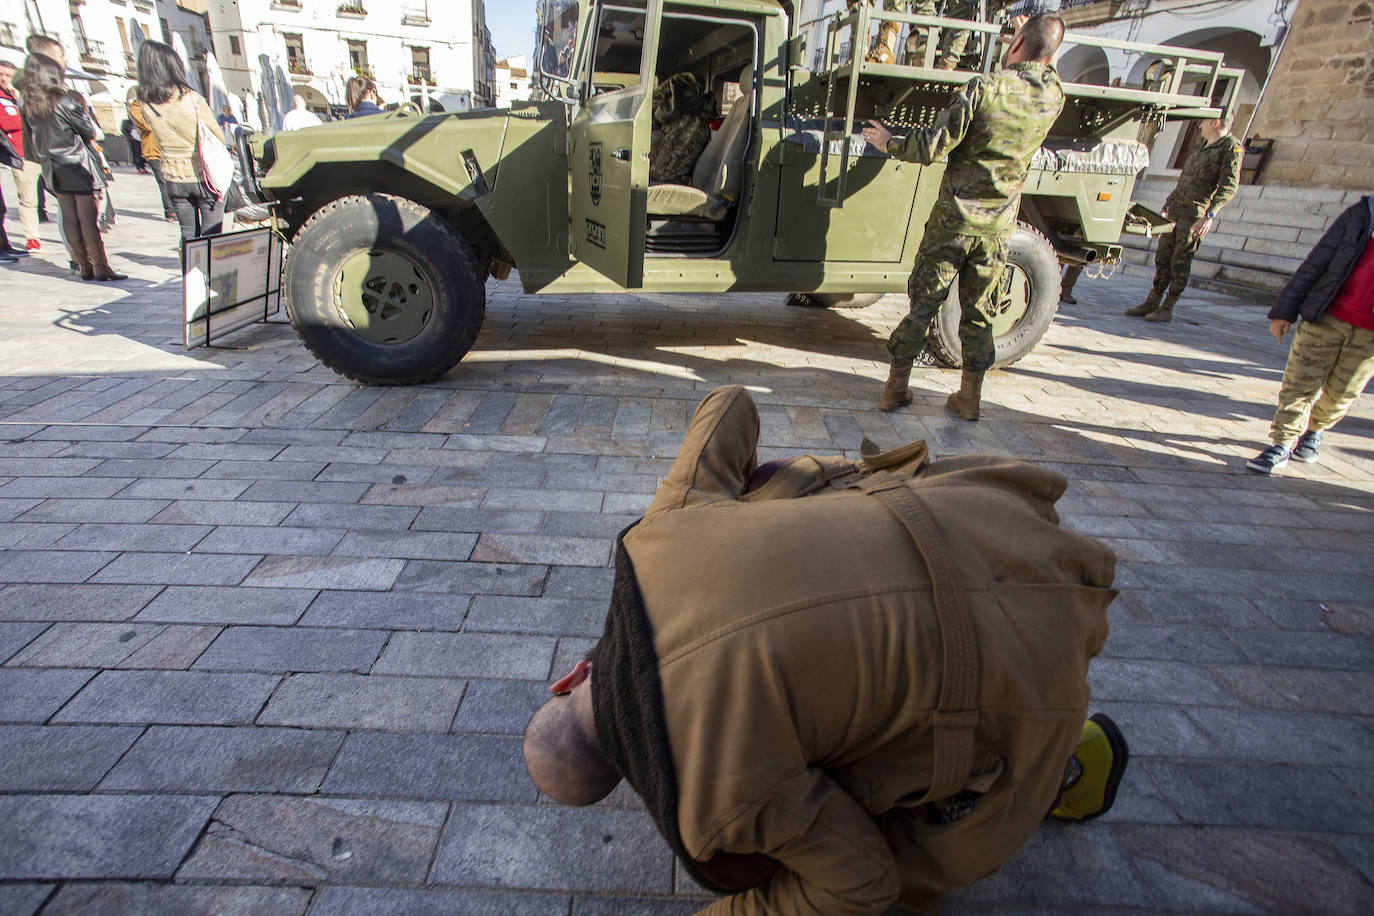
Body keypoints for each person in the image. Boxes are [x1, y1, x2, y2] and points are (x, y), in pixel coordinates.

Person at [523, 384, 1128, 915]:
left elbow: (863, 885)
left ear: (625, 776)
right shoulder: (659, 532)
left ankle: (1057, 773)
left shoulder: (713, 805)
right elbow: (731, 401)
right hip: (997, 519)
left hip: (1035, 673)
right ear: (571, 677)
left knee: (835, 869)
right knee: (772, 488)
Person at [861, 14, 1066, 420]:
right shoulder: (1052, 97)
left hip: (953, 223)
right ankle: (970, 399)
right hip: (996, 230)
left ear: (1016, 41)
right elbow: (1047, 62)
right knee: (979, 312)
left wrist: (890, 142)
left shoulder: (984, 89)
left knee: (923, 305)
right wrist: (1032, 38)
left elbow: (933, 146)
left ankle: (895, 391)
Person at [1246, 194, 1374, 475]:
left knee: (1342, 394)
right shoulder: (1361, 214)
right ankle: (1282, 443)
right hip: (1325, 317)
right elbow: (1317, 261)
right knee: (1299, 384)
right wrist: (1285, 311)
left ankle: (1315, 429)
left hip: (1369, 338)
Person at [18, 53, 126, 281]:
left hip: (53, 167)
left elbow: (30, 137)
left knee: (69, 217)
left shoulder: (28, 103)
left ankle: (83, 265)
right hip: (76, 164)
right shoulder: (63, 101)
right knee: (87, 218)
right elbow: (89, 132)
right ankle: (100, 266)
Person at [1125, 113, 1242, 323]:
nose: (1200, 125)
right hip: (1176, 210)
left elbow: (1229, 187)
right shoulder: (1202, 146)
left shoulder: (1230, 148)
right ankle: (1153, 300)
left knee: (1180, 261)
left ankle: (1167, 307)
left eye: (1204, 121)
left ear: (1215, 122)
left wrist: (1210, 214)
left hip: (1194, 215)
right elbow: (1185, 180)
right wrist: (1168, 204)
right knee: (1163, 257)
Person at [136, 40, 226, 246]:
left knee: (188, 235)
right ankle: (209, 277)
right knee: (212, 237)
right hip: (204, 175)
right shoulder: (192, 99)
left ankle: (190, 275)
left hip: (173, 176)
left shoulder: (145, 103)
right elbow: (217, 135)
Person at [0, 55, 39, 254]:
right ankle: (31, 237)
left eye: (8, 75)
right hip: (19, 154)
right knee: (27, 198)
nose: (4, 79)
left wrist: (19, 99)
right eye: (1, 75)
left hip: (40, 151)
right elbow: (8, 123)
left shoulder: (22, 96)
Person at [126, 87, 175, 220]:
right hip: (153, 151)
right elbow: (148, 125)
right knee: (163, 181)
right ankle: (170, 210)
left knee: (172, 180)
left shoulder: (155, 106)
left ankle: (176, 208)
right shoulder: (135, 109)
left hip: (167, 148)